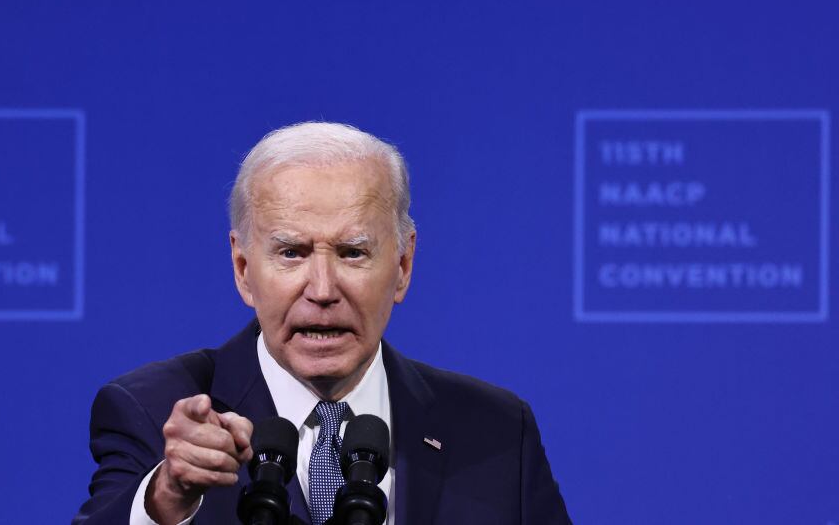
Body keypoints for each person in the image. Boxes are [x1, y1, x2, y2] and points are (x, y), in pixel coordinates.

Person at [73, 122, 571, 524]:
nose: (323, 289)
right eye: (291, 253)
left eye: (353, 253)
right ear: (244, 270)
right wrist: (164, 500)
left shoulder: (498, 431)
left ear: (403, 266)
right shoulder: (151, 411)